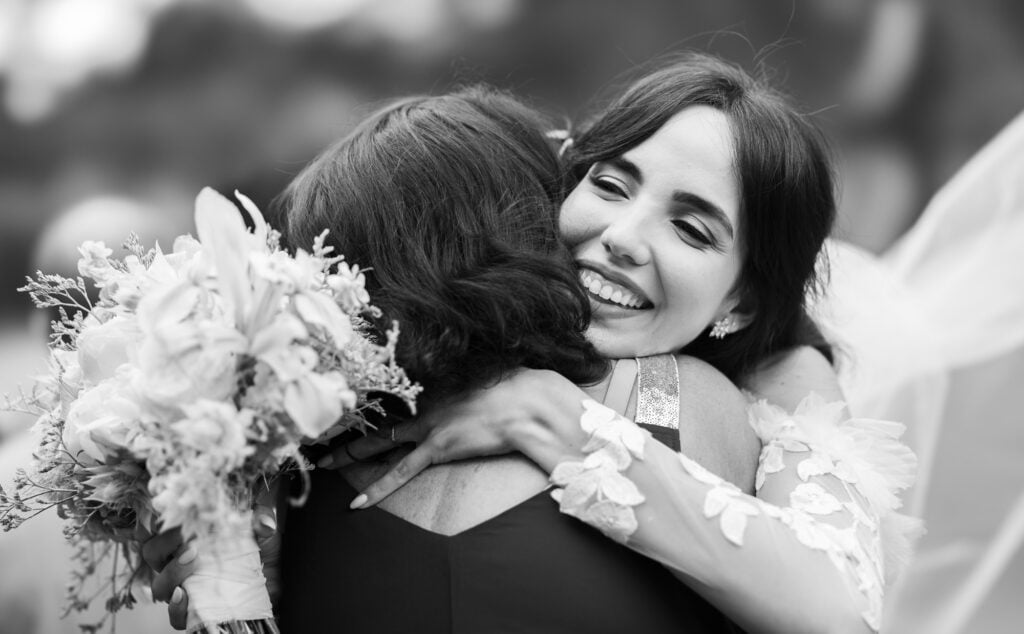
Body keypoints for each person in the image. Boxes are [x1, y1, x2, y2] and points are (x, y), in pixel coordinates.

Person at [155, 55, 914, 633]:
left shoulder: (775, 384)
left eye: (690, 228)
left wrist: (559, 420)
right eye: (612, 186)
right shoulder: (363, 373)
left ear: (744, 299)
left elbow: (840, 614)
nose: (621, 239)